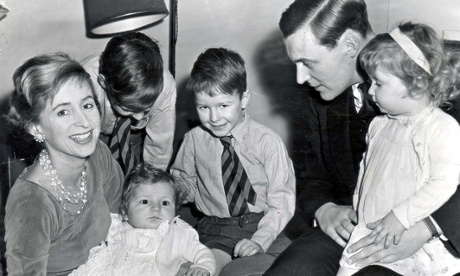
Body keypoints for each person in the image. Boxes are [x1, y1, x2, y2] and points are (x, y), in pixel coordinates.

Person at [264, 0, 460, 275]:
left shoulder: (431, 79)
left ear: (350, 45)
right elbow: (310, 178)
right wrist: (324, 208)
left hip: (427, 242)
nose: (300, 78)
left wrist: (426, 227)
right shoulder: (316, 97)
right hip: (350, 234)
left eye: (308, 62)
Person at [336, 22, 460, 276]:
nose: (370, 91)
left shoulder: (441, 127)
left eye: (378, 83)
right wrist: (359, 206)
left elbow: (443, 183)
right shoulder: (379, 125)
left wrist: (401, 217)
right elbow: (366, 171)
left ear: (415, 83)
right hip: (370, 229)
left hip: (408, 237)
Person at [169, 47, 296, 275]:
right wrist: (174, 191)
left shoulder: (268, 142)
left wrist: (261, 240)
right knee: (201, 270)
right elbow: (184, 181)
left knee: (265, 269)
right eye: (203, 108)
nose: (214, 118)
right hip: (218, 230)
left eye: (223, 106)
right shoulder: (194, 140)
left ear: (244, 99)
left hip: (265, 224)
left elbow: (281, 202)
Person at [4, 53, 124, 275]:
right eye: (63, 112)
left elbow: (119, 216)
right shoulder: (30, 204)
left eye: (87, 105)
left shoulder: (98, 154)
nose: (84, 122)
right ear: (36, 128)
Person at [69, 163, 216, 276]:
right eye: (145, 202)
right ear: (125, 212)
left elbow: (202, 252)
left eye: (165, 203)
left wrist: (202, 266)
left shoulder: (177, 232)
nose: (156, 208)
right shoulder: (116, 227)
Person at [82, 32, 176, 173]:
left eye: (146, 108)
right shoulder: (84, 84)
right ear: (103, 82)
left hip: (135, 137)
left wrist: (149, 184)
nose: (139, 117)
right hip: (93, 137)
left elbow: (159, 148)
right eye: (127, 108)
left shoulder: (165, 87)